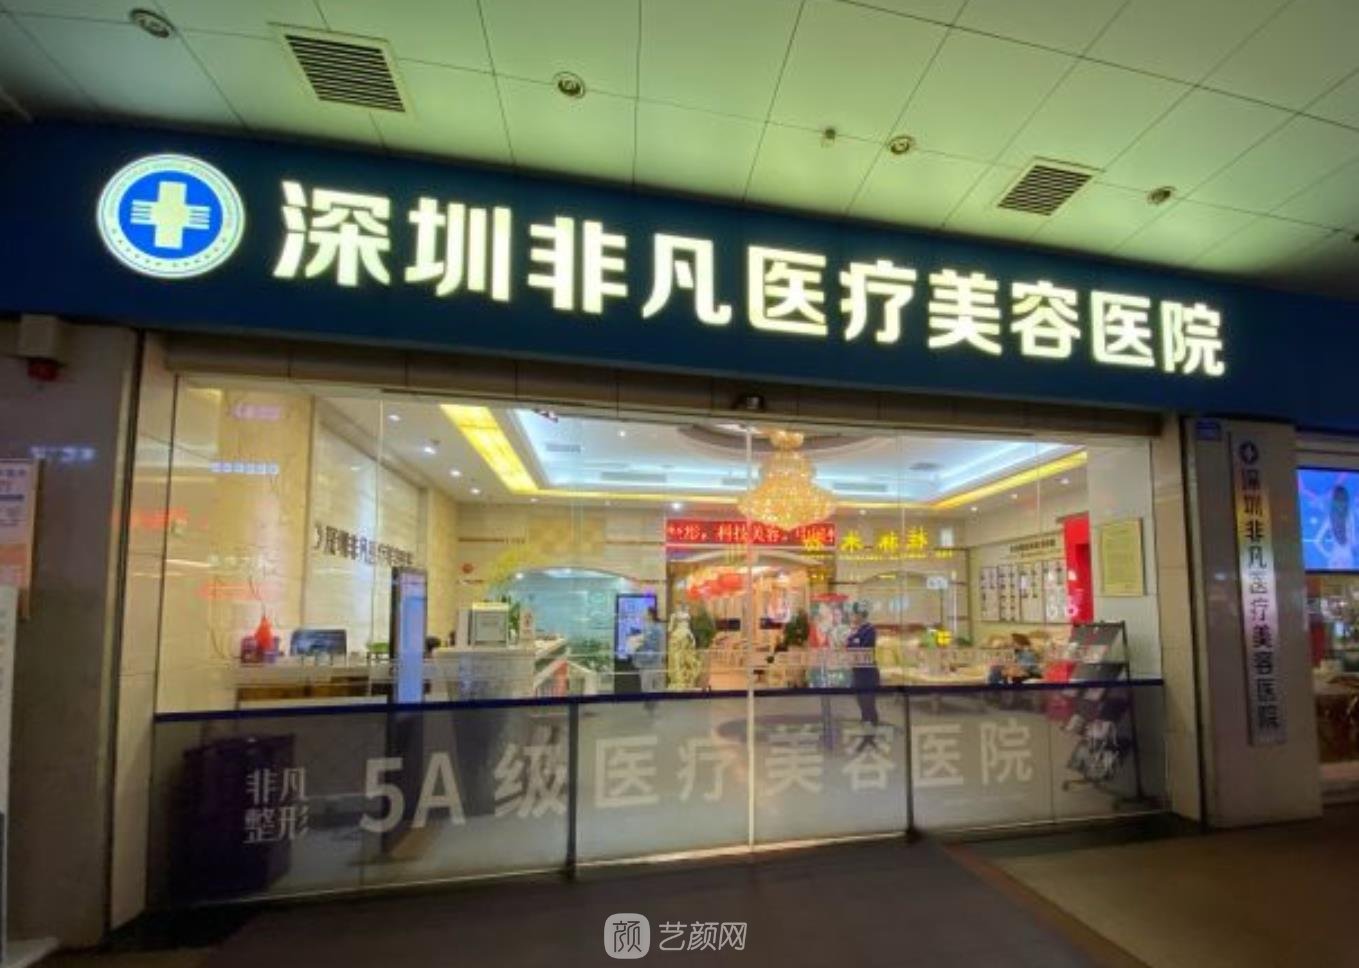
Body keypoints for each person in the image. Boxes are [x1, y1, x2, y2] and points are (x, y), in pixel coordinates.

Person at [846, 601, 880, 745]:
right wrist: (853, 641)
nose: (852, 617)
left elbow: (862, 647)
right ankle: (868, 732)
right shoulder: (857, 630)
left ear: (860, 614)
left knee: (868, 705)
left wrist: (853, 641)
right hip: (858, 672)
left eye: (854, 614)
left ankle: (870, 736)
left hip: (868, 674)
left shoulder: (869, 630)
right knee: (861, 704)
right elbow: (849, 644)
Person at [634, 606, 667, 696]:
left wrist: (642, 640)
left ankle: (653, 699)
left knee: (651, 683)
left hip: (652, 660)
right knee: (644, 685)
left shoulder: (657, 628)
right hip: (643, 660)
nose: (643, 615)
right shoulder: (645, 627)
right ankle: (648, 699)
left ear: (650, 615)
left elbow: (659, 644)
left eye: (645, 613)